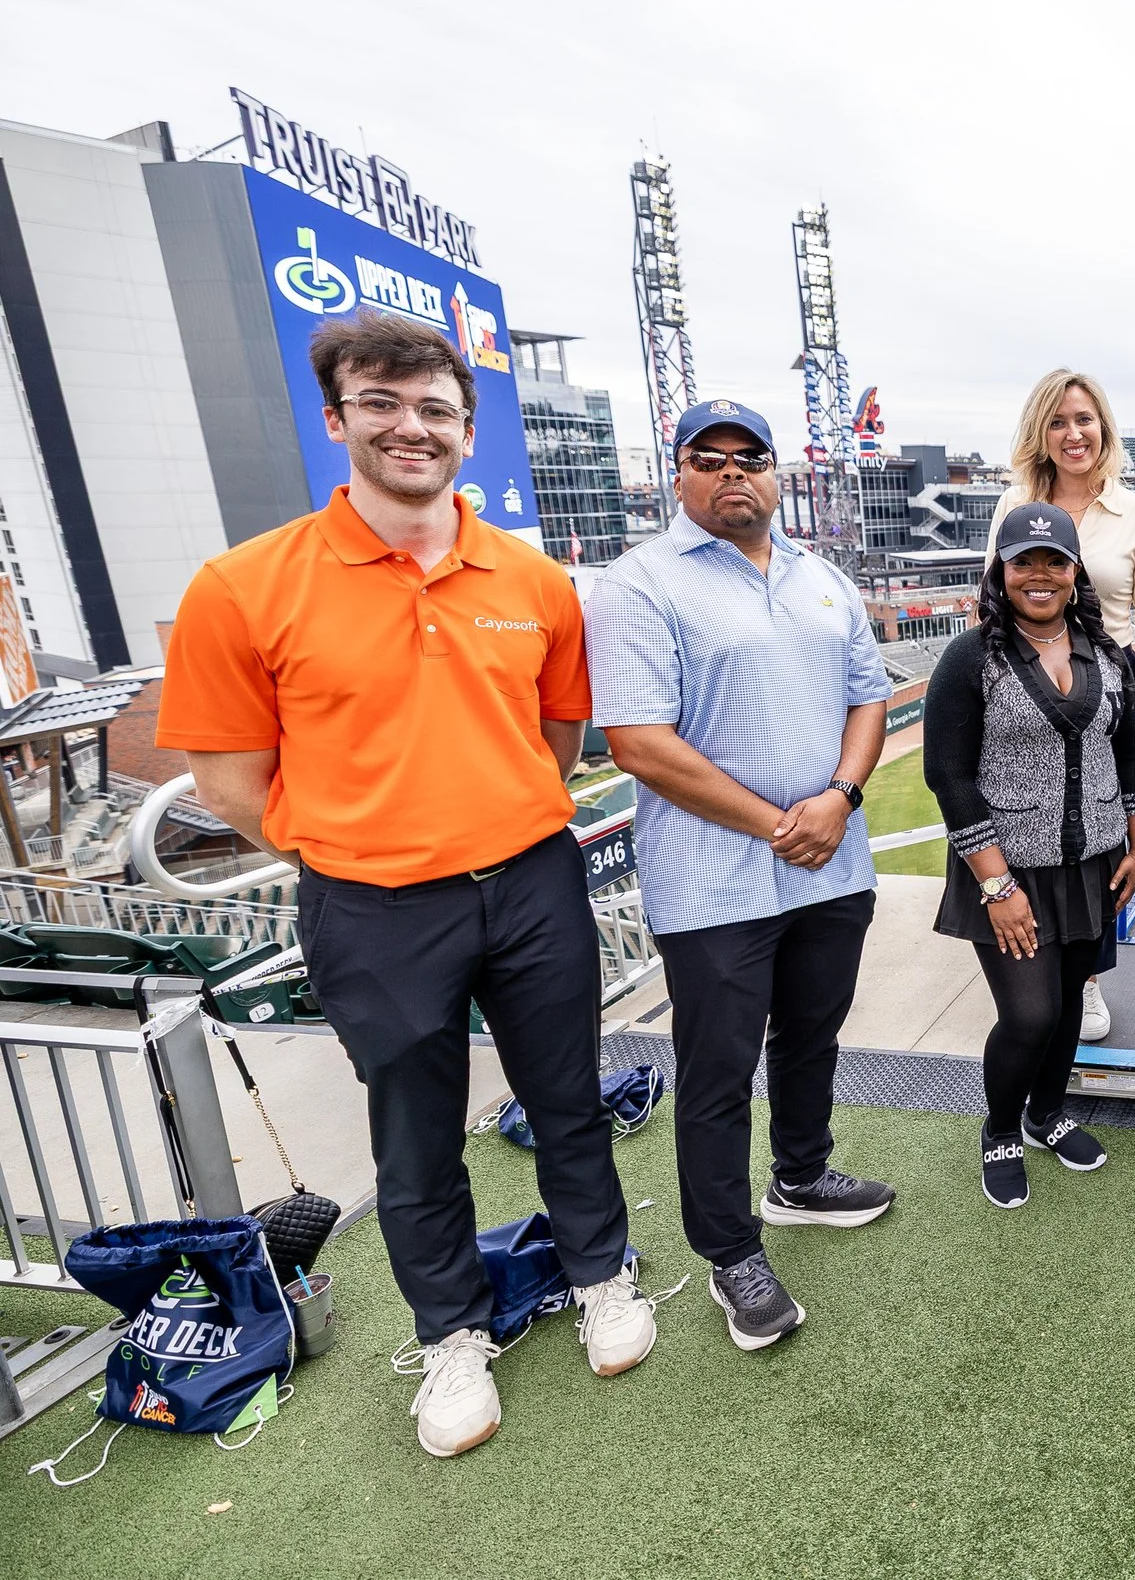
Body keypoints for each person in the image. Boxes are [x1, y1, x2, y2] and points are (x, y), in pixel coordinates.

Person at [157, 311, 654, 1459]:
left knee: (568, 1095)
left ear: (466, 431)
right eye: (380, 403)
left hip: (531, 876)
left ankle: (601, 1274)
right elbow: (230, 776)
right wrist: (354, 842)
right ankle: (450, 1334)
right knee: (413, 1134)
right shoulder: (244, 585)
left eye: (433, 407)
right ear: (336, 419)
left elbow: (562, 730)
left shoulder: (531, 578)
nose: (409, 426)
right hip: (372, 902)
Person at [587, 398, 897, 1354]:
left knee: (812, 1034)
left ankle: (801, 1174)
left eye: (749, 457)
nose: (732, 472)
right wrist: (775, 822)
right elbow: (638, 741)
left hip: (830, 862)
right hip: (716, 877)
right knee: (718, 1069)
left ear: (774, 472)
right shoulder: (640, 583)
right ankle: (729, 1249)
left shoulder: (821, 576)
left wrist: (840, 796)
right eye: (707, 457)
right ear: (678, 474)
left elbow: (870, 698)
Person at [928, 503, 1135, 1210]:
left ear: (1074, 571)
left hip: (1092, 862)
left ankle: (1046, 1113)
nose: (1039, 574)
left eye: (1054, 561)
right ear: (1001, 570)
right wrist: (996, 883)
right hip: (1007, 870)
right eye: (1024, 560)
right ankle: (1000, 1129)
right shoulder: (973, 658)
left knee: (1065, 1008)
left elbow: (1129, 747)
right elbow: (950, 774)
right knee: (1028, 1015)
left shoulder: (1108, 653)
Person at [986, 371, 1135, 1044]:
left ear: (1104, 428)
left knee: (1103, 845)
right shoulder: (1014, 500)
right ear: (1042, 431)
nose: (1074, 433)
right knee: (1037, 836)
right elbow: (993, 608)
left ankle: (1085, 977)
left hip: (1109, 697)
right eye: (1059, 421)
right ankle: (1049, 981)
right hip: (1031, 695)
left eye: (1085, 419)